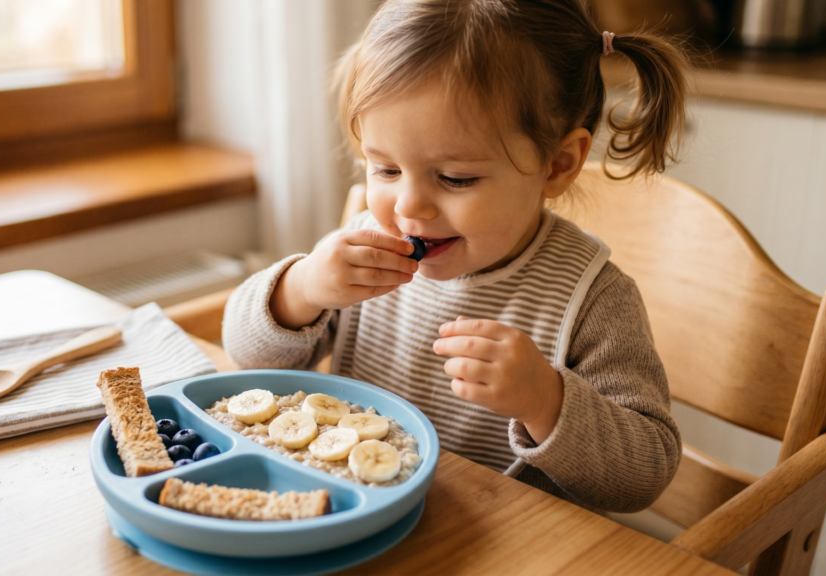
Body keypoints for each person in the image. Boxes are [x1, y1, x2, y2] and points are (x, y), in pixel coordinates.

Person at [223, 0, 688, 513]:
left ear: (557, 164)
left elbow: (644, 476)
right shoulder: (361, 252)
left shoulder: (594, 298)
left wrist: (546, 400)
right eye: (385, 169)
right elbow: (247, 357)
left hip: (509, 539)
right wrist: (301, 289)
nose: (407, 207)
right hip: (358, 511)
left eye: (455, 178)